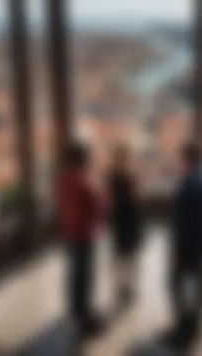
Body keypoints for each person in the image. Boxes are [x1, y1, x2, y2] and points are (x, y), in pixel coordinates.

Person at [165, 142, 202, 347]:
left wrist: (176, 248)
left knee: (176, 283)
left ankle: (184, 325)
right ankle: (197, 321)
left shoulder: (187, 184)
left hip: (187, 244)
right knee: (200, 280)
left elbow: (182, 220)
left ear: (187, 159)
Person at [55, 141, 108, 337]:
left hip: (68, 233)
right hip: (85, 234)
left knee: (74, 273)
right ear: (83, 158)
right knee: (85, 276)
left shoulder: (61, 178)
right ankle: (85, 317)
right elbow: (101, 203)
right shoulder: (85, 178)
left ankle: (75, 311)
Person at [107, 144, 143, 308]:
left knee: (121, 256)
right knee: (129, 256)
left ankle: (122, 288)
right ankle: (127, 288)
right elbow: (136, 199)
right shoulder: (130, 176)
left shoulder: (111, 175)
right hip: (128, 219)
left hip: (119, 220)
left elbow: (109, 200)